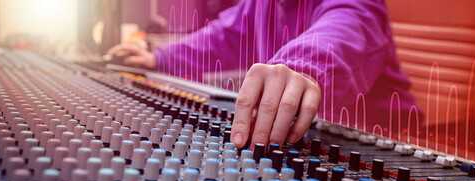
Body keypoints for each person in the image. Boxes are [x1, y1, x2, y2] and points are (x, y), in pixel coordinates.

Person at [107, 0, 417, 150]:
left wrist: (301, 68)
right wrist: (158, 58)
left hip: (384, 145)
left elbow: (346, 29)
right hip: (306, 138)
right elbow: (223, 35)